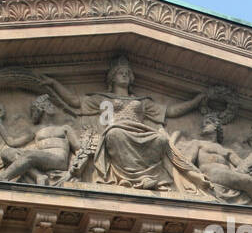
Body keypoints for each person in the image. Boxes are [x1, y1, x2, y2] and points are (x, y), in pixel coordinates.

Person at [38, 55, 210, 193]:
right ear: (112, 77)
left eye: (128, 72)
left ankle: (146, 178)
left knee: (161, 139)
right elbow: (75, 101)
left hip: (141, 131)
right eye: (121, 72)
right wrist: (54, 84)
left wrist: (195, 101)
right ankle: (134, 178)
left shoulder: (142, 101)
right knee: (115, 134)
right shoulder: (103, 99)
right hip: (117, 130)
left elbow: (171, 112)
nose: (125, 74)